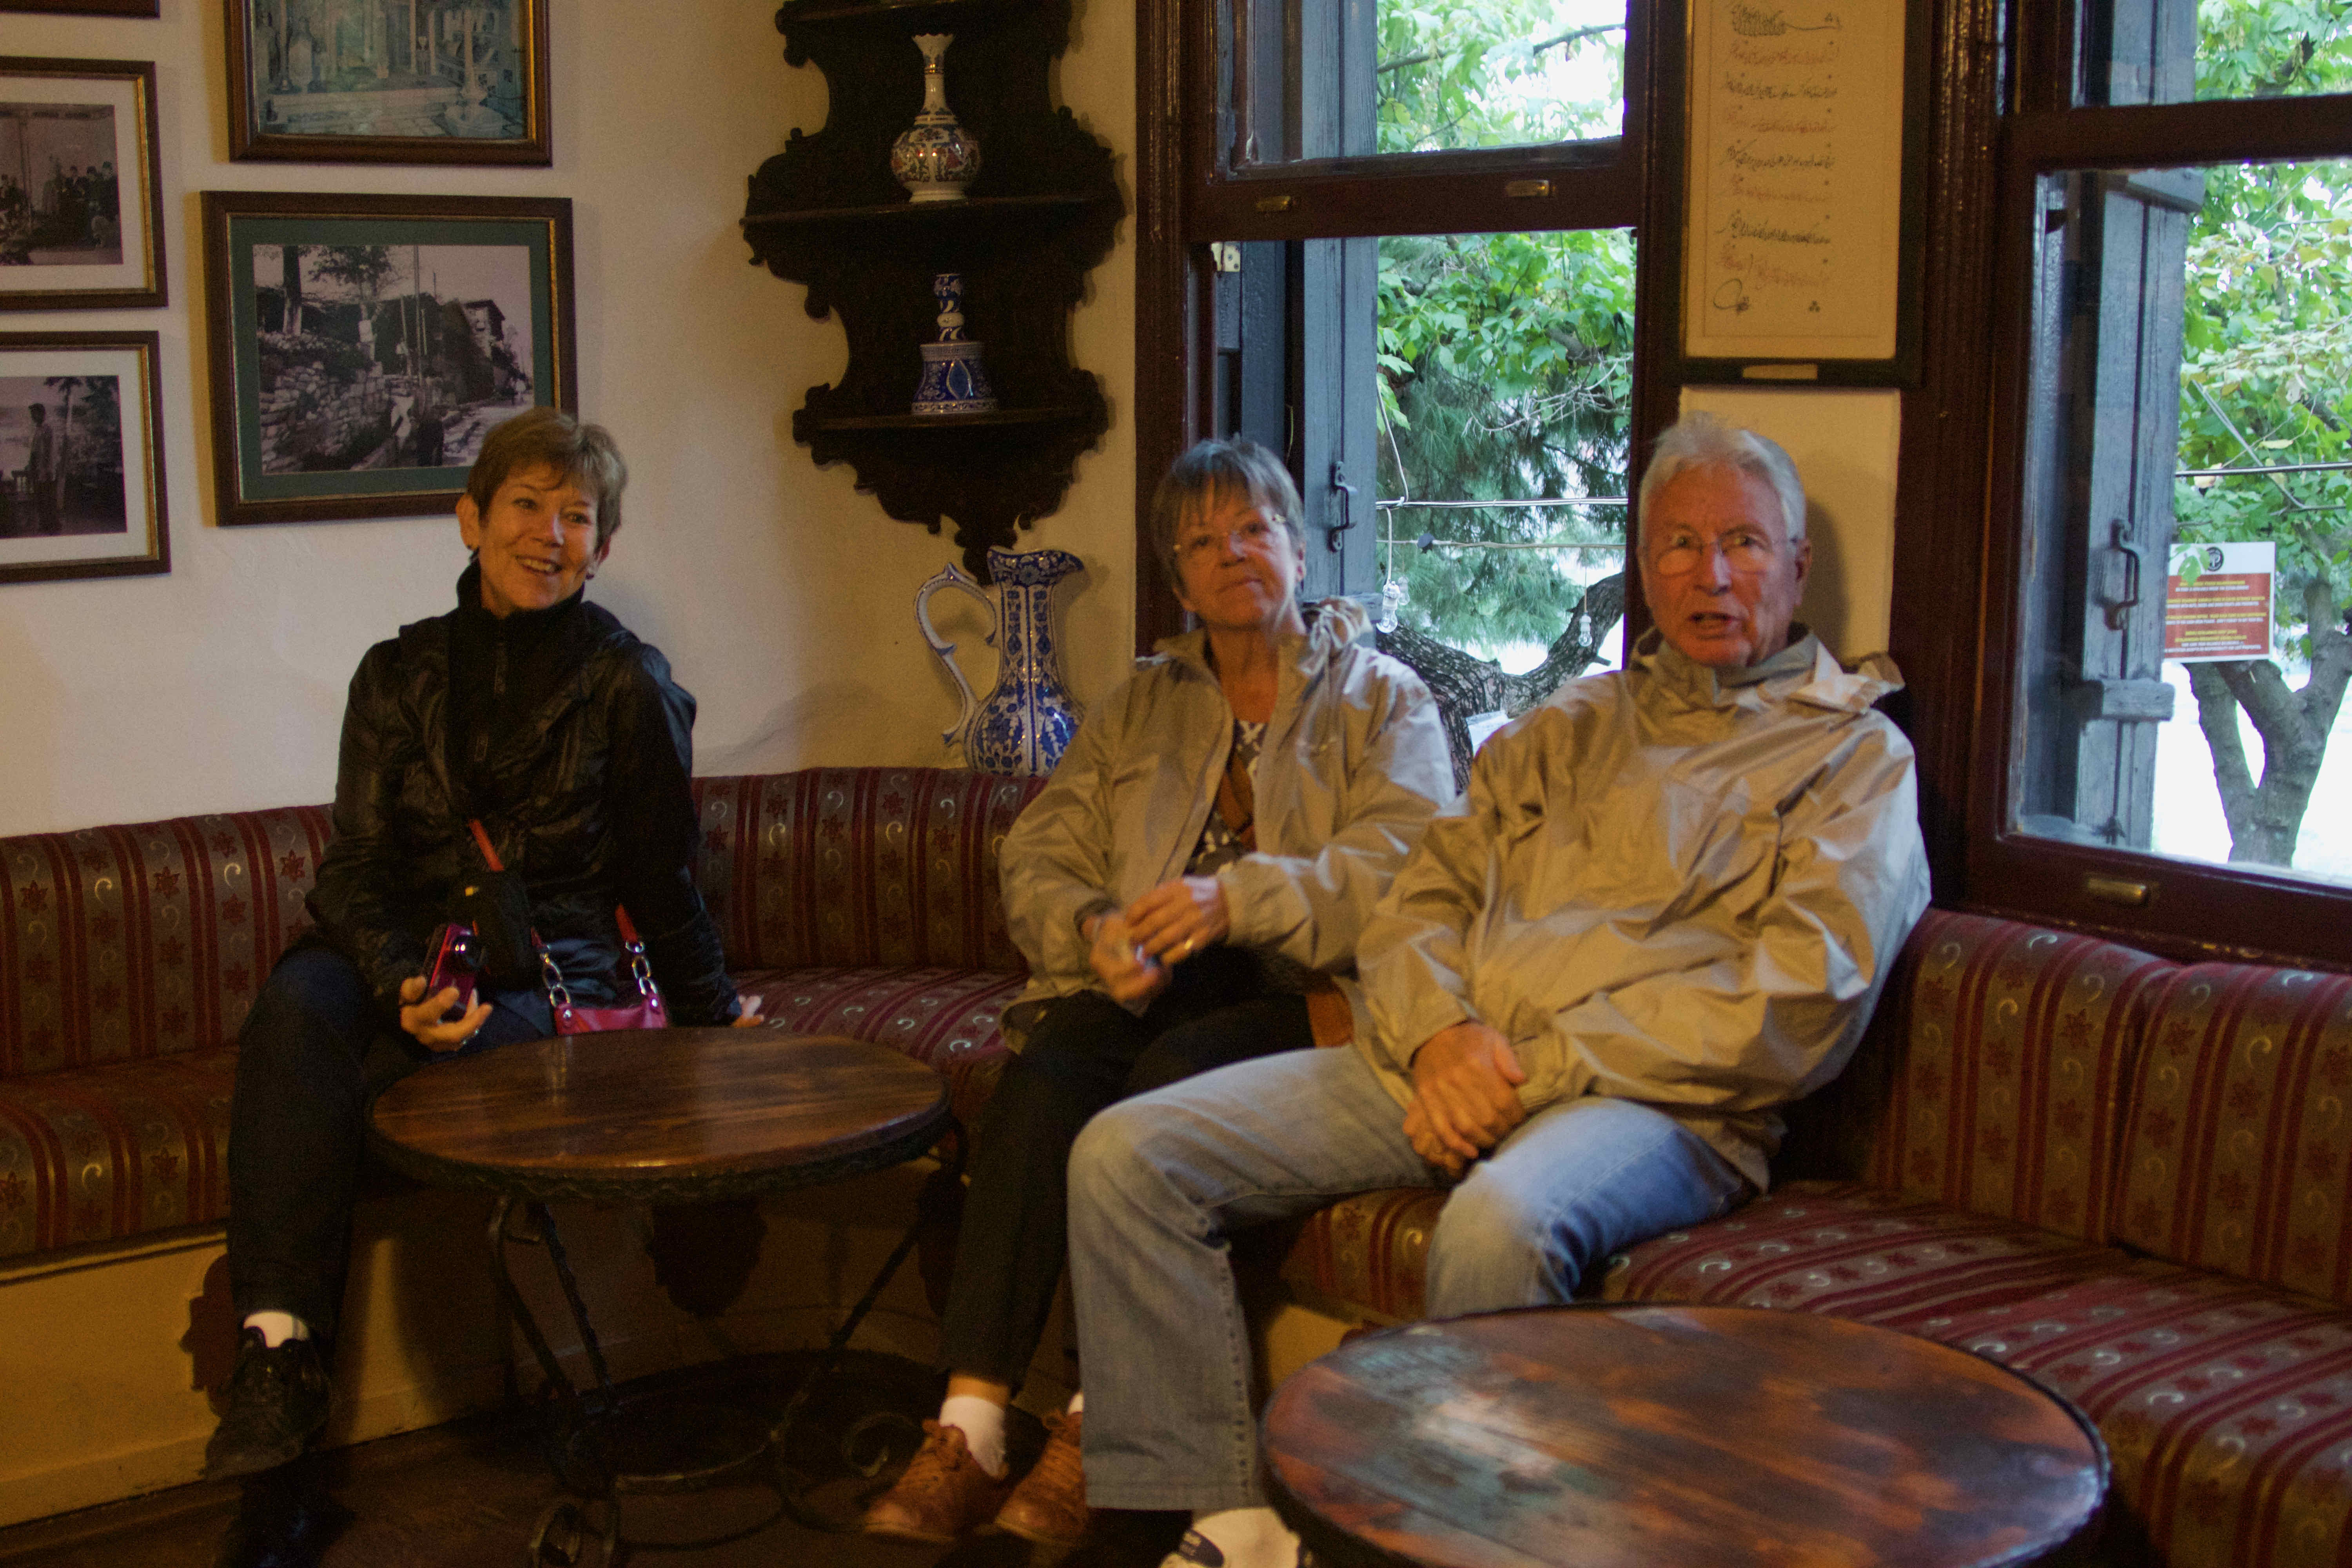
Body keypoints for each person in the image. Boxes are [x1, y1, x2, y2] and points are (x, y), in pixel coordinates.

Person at [1063, 412, 1934, 1568]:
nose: (1711, 575)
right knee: (1126, 1154)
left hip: (1657, 1105)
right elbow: (1419, 897)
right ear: (1643, 566)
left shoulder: (1852, 759)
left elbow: (1797, 1002)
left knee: (1496, 1225)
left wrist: (1526, 1074)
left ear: (1796, 564)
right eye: (1678, 545)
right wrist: (1436, 1038)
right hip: (1447, 1060)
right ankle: (1231, 1524)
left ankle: (1458, 1550)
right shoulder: (1574, 721)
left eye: (1742, 543)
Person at [860, 438, 1454, 1548]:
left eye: (1255, 529)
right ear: (1178, 579)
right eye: (1201, 541)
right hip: (1155, 987)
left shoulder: (1384, 698)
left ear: (1299, 548)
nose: (1233, 554)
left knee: (1168, 1082)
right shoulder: (1142, 703)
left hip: (1317, 999)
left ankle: (1102, 1423)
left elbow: (1405, 873)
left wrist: (1238, 902)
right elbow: (1041, 852)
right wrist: (1094, 926)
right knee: (1047, 1072)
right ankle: (971, 1427)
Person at [204, 408, 761, 1494]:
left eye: (576, 516)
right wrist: (401, 980)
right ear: (471, 520)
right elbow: (352, 869)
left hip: (551, 976)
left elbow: (661, 877)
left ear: (603, 547)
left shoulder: (630, 684)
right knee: (296, 1008)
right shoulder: (395, 673)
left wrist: (713, 1027)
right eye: (525, 505)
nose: (548, 534)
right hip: (404, 953)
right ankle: (277, 1350)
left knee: (347, 1086)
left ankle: (289, 1348)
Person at [23, 402, 60, 534]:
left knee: (49, 500)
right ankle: (45, 525)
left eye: (34, 414)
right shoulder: (38, 430)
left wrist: (50, 471)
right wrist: (30, 466)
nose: (32, 417)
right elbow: (35, 451)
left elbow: (52, 451)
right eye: (32, 414)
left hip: (46, 472)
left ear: (41, 414)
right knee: (40, 500)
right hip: (38, 471)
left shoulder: (49, 429)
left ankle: (53, 527)